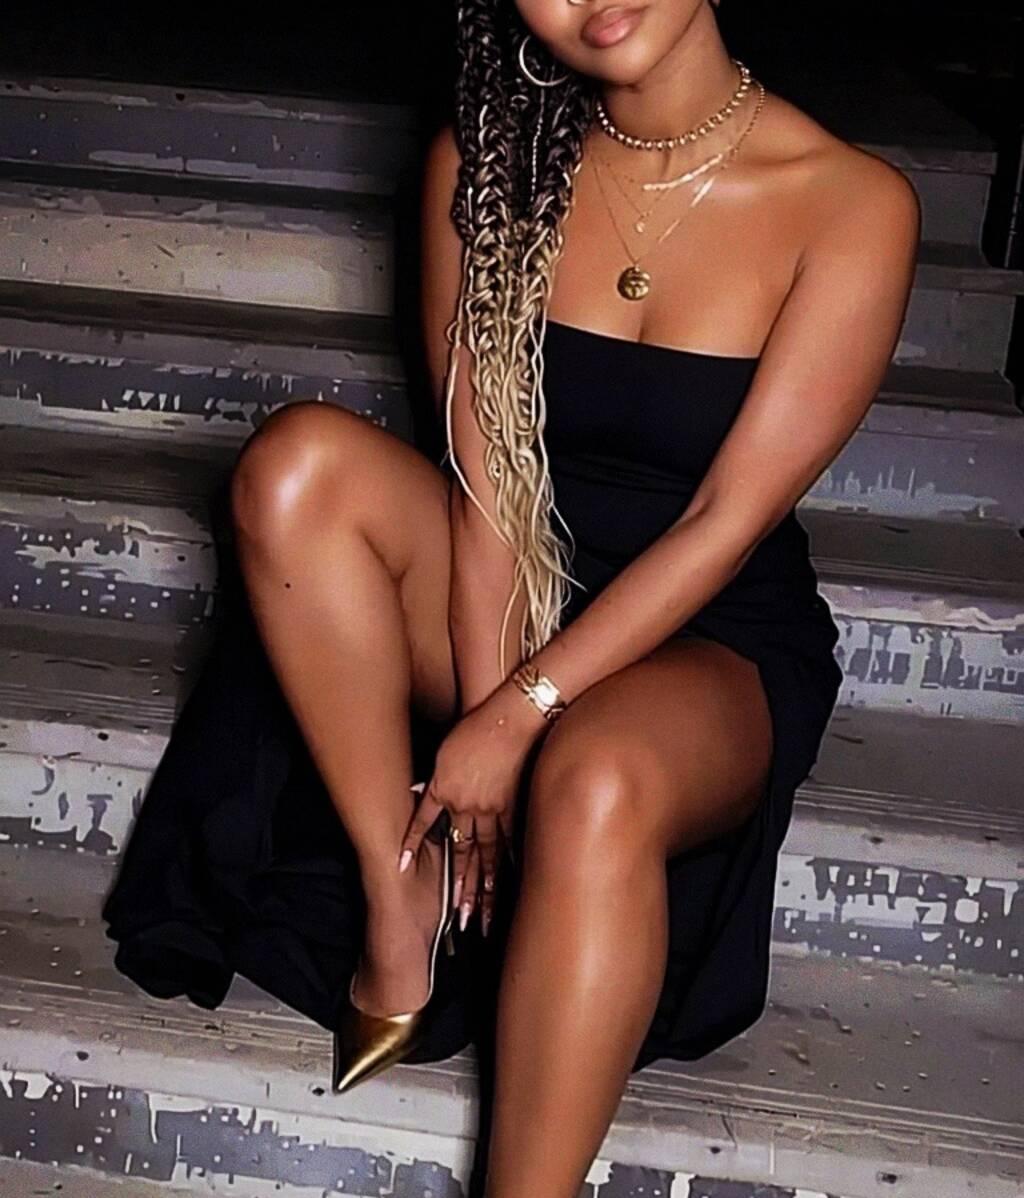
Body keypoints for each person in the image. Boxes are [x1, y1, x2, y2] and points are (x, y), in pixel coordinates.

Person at [102, 0, 920, 1192]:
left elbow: (721, 522)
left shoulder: (852, 204)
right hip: (516, 583)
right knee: (294, 469)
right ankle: (400, 896)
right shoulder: (489, 163)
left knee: (595, 775)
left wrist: (521, 715)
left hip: (708, 634)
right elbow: (486, 490)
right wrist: (490, 716)